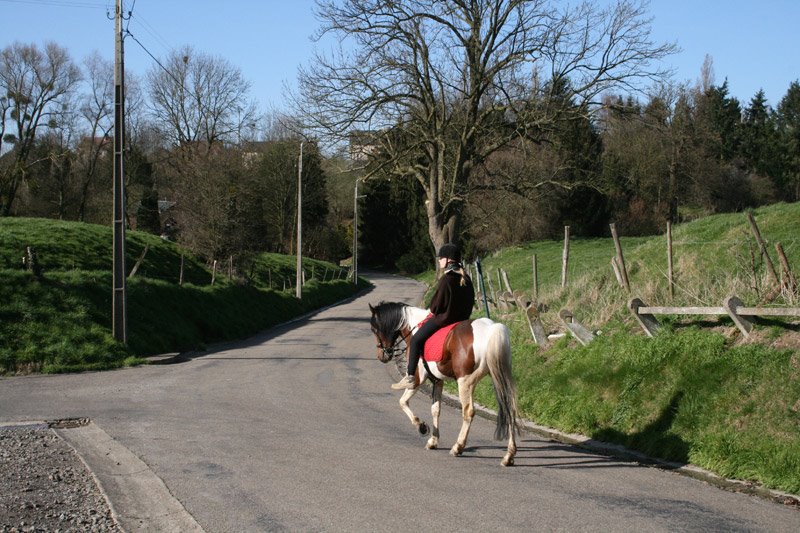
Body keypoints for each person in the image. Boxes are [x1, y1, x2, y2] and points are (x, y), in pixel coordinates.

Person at [391, 243, 475, 390]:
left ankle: (410, 376)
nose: (439, 260)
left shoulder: (446, 280)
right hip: (463, 321)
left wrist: (432, 311)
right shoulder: (466, 279)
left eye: (441, 257)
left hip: (444, 320)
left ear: (448, 260)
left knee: (416, 339)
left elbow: (435, 307)